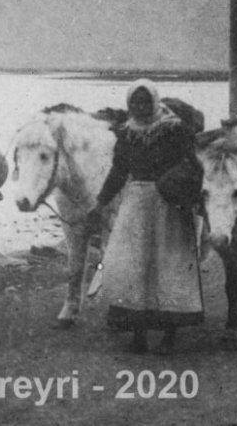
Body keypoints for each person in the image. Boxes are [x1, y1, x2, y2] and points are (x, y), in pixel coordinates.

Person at [85, 80, 204, 355]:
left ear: (155, 101)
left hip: (169, 204)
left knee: (170, 265)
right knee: (132, 266)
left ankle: (169, 336)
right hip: (136, 204)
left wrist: (186, 195)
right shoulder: (127, 133)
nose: (140, 107)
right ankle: (138, 334)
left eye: (145, 101)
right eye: (134, 103)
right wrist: (100, 204)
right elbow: (118, 172)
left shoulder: (175, 129)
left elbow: (193, 166)